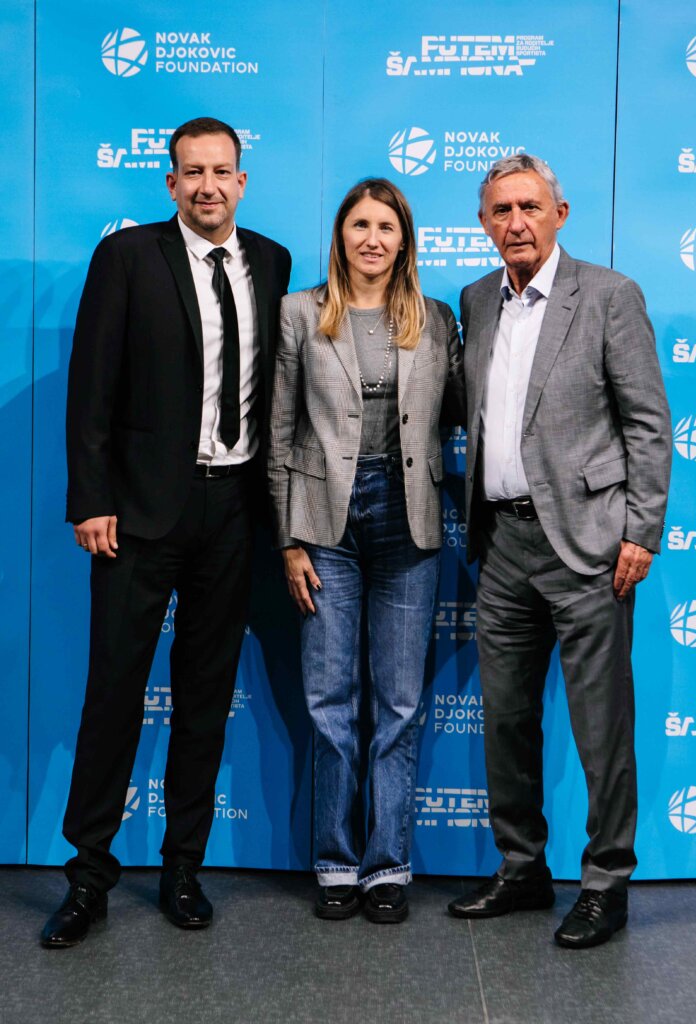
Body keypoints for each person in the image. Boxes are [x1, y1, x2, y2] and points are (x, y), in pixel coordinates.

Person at [41, 117, 291, 948]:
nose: (208, 186)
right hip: (139, 514)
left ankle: (184, 867)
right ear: (171, 182)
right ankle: (88, 876)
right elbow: (91, 387)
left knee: (205, 700)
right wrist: (91, 499)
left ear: (242, 181)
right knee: (114, 693)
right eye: (193, 172)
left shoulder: (272, 261)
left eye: (222, 171)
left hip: (234, 512)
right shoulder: (127, 256)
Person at [446, 154, 671, 948]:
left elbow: (647, 422)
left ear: (559, 213)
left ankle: (605, 882)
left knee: (600, 727)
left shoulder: (608, 295)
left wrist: (640, 529)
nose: (515, 223)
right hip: (501, 543)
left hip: (589, 544)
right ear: (483, 223)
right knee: (505, 721)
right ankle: (521, 869)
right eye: (500, 210)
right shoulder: (476, 300)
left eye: (529, 207)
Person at [268, 178, 464, 923]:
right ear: (340, 235)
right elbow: (279, 433)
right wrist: (288, 539)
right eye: (360, 225)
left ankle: (387, 866)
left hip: (409, 523)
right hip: (326, 526)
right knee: (328, 703)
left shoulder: (435, 319)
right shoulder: (300, 312)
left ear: (404, 239)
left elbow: (459, 412)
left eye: (386, 226)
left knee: (399, 703)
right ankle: (335, 862)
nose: (372, 238)